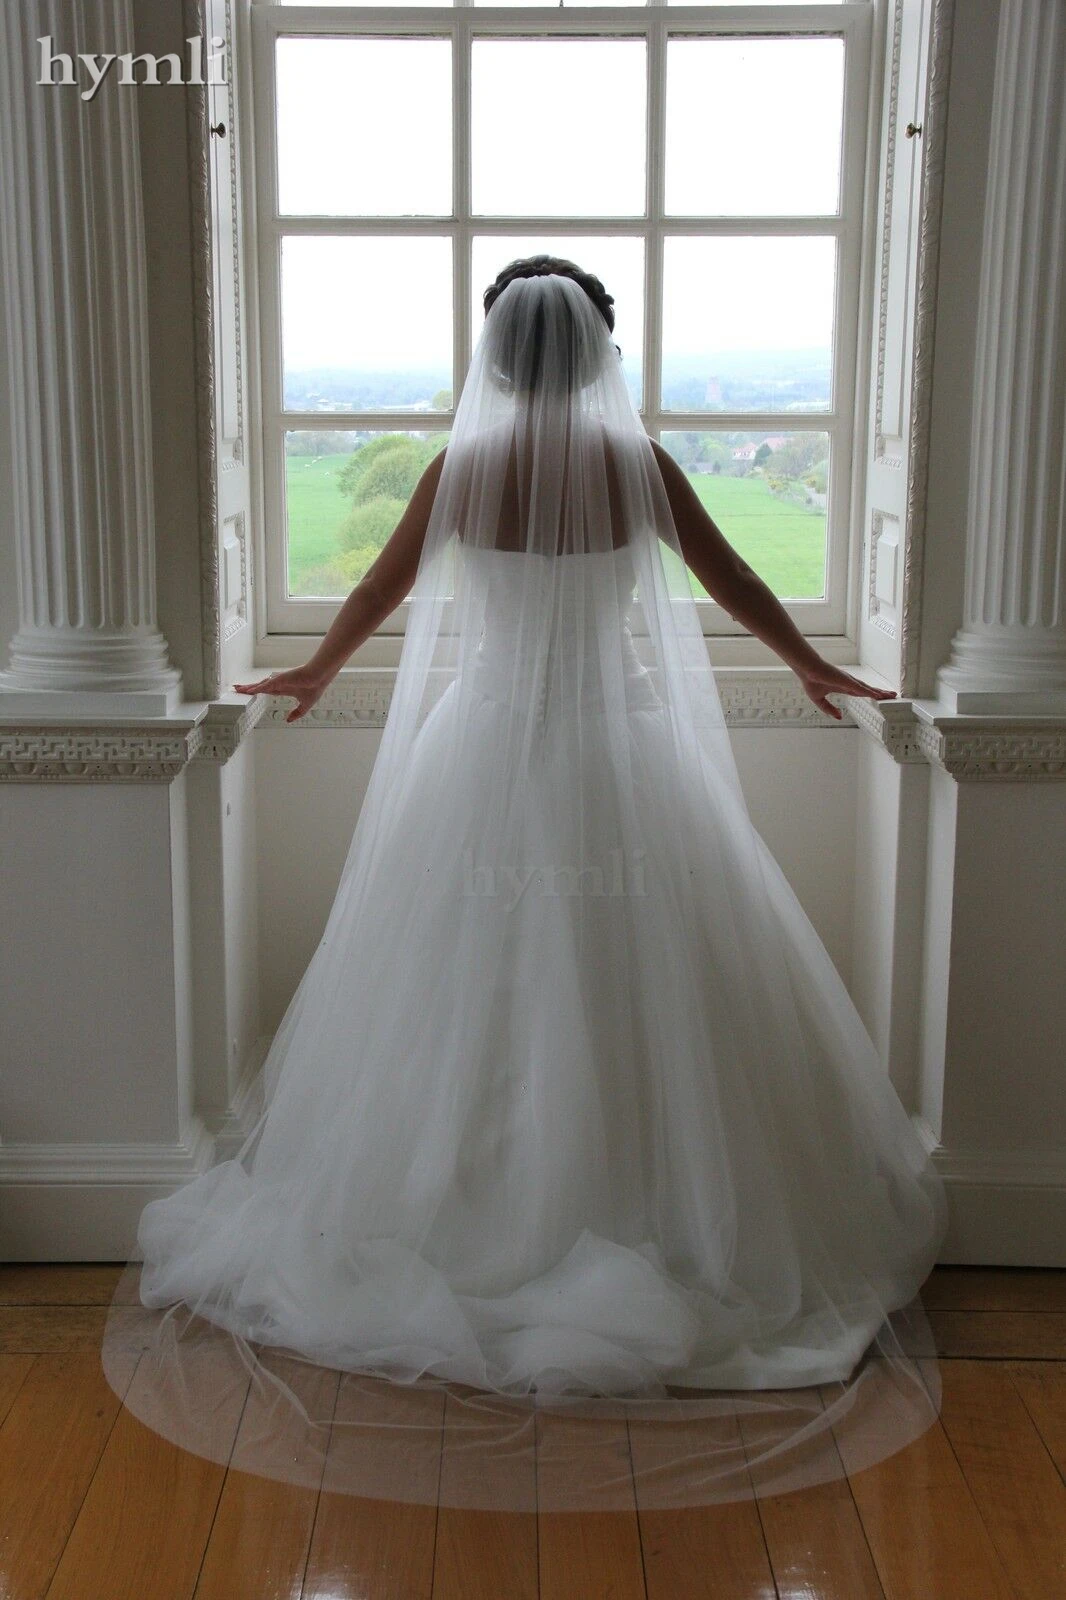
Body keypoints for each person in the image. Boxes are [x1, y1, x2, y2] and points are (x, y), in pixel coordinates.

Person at [105, 257, 948, 1508]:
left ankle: (463, 1222)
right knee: (643, 980)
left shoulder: (465, 468)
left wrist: (315, 676)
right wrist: (816, 666)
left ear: (495, 359)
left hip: (485, 744)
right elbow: (731, 581)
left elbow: (385, 587)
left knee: (455, 991)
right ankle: (665, 1220)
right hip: (616, 750)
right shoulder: (638, 465)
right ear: (603, 351)